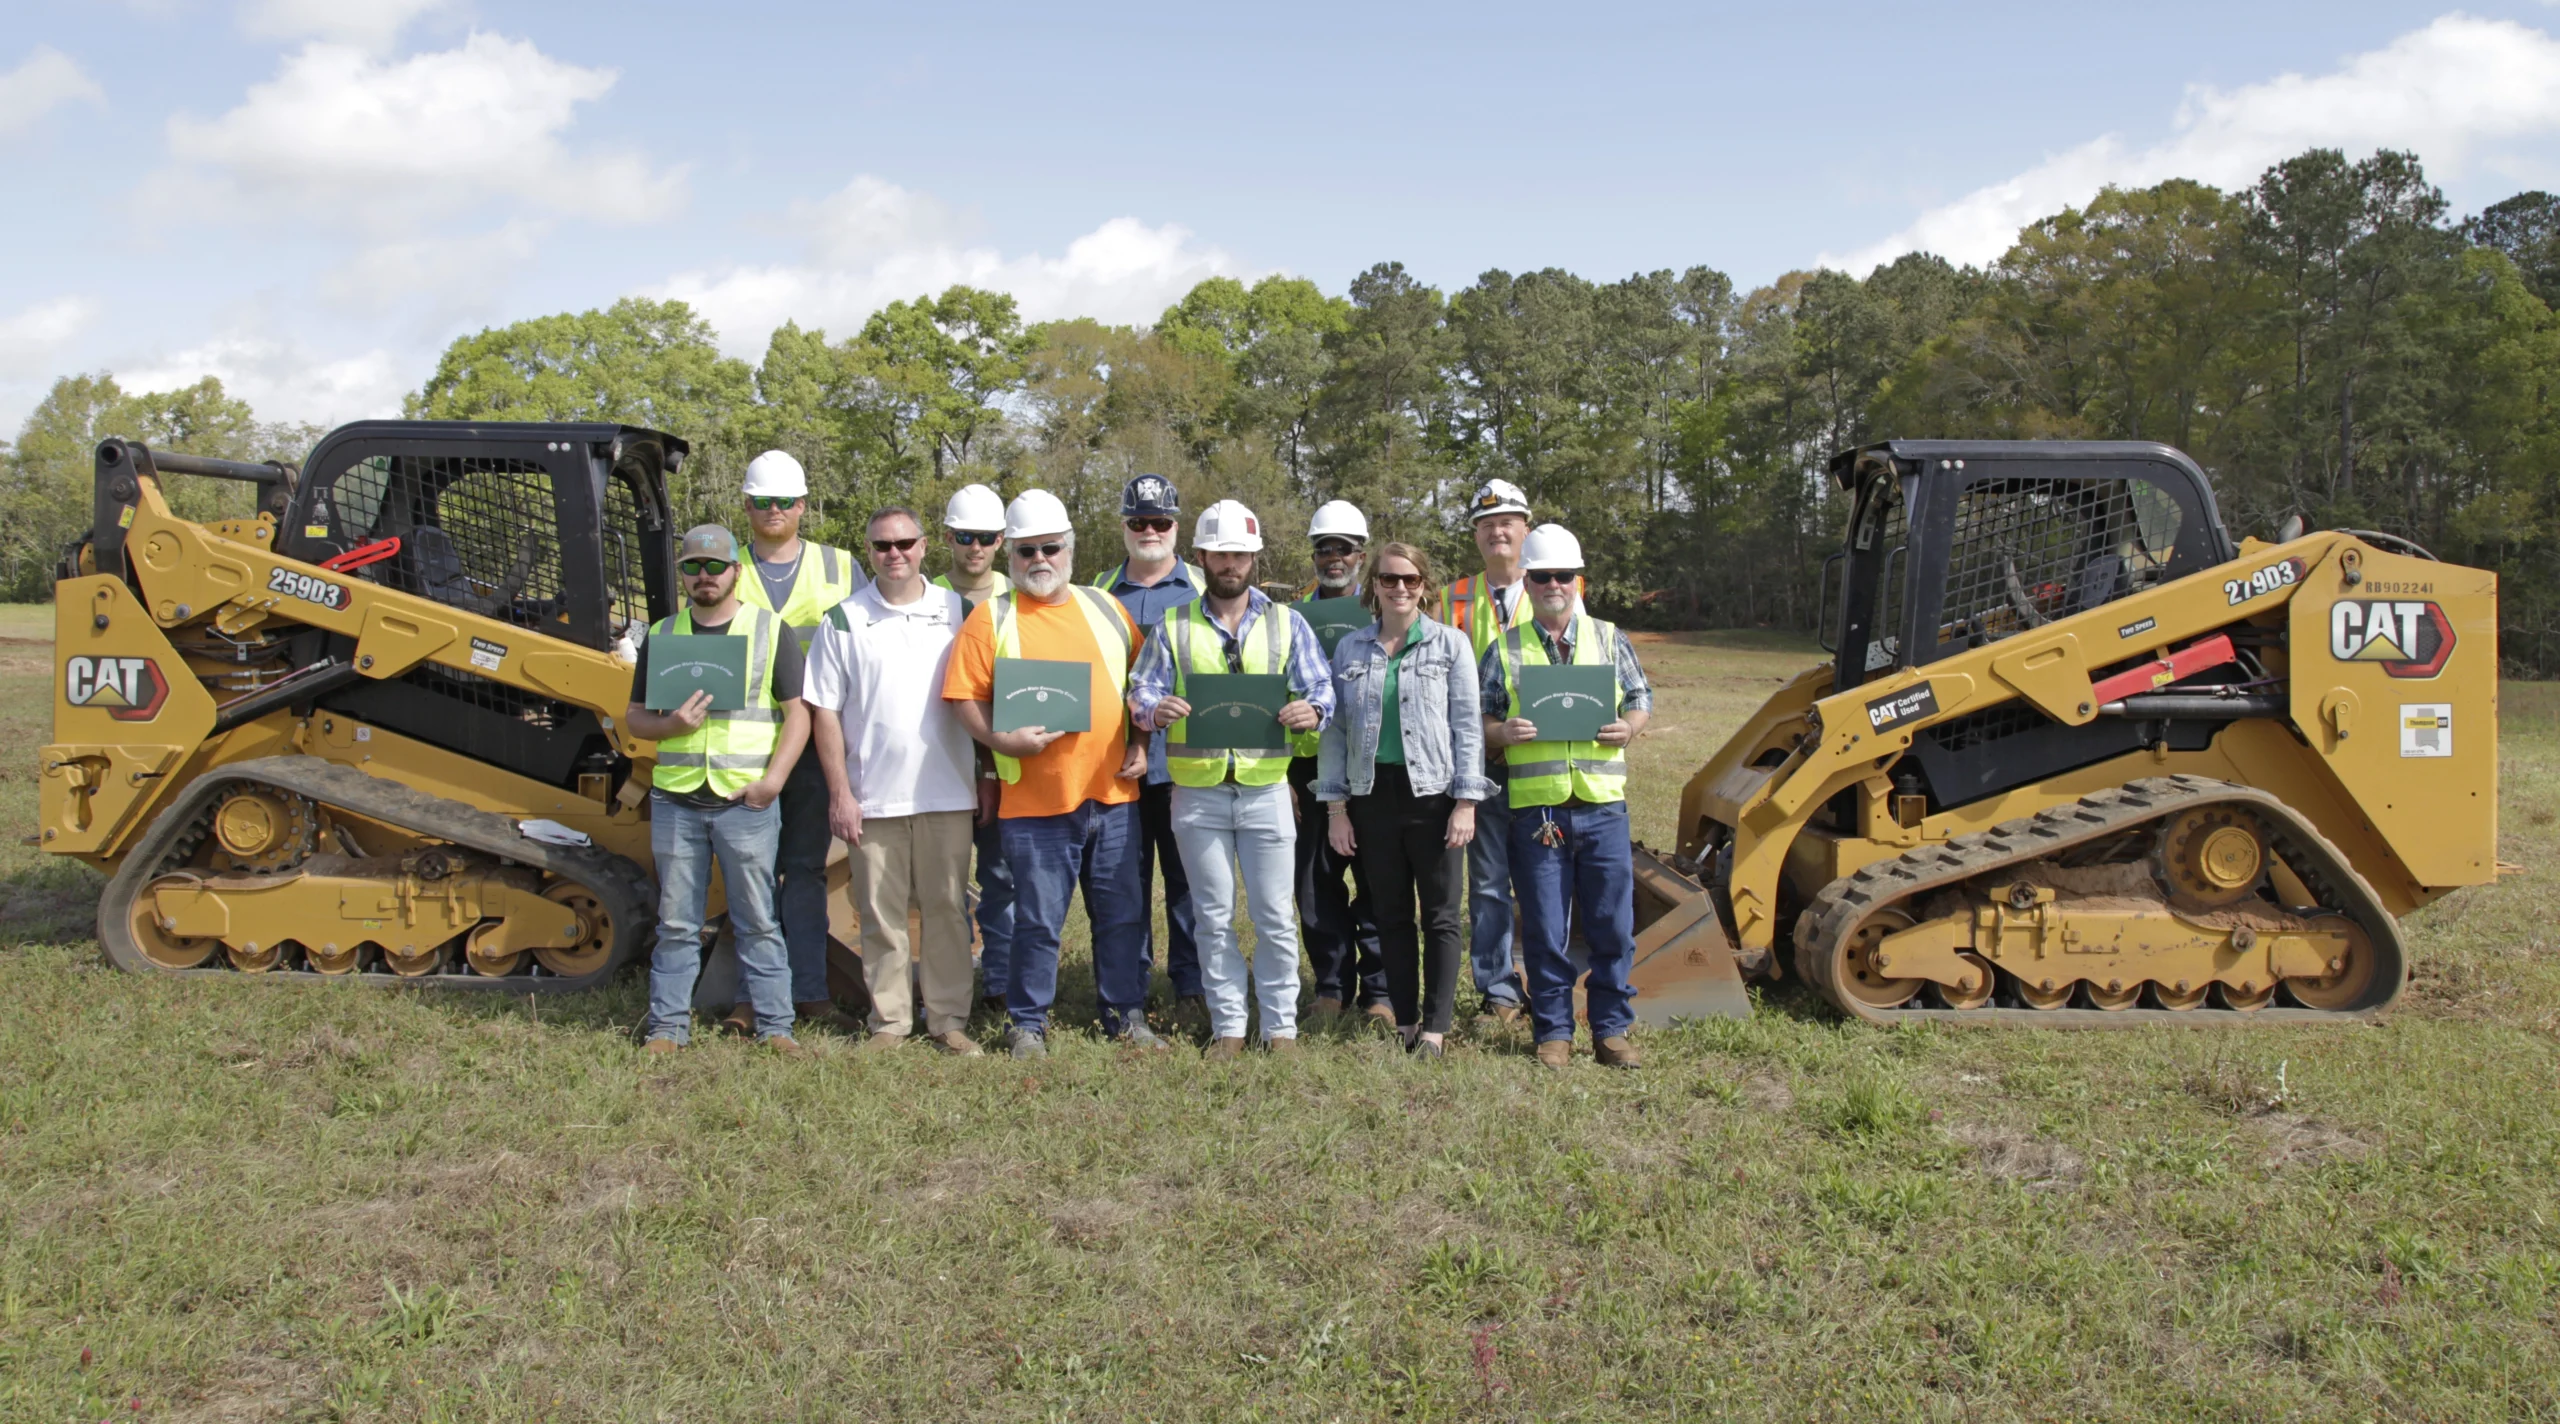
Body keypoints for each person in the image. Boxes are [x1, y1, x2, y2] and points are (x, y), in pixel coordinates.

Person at [943, 489, 1166, 1059]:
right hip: (1034, 802)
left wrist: (1140, 743)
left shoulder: (1106, 608)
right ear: (1011, 556)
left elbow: (1142, 687)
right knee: (1038, 921)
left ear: (1069, 549)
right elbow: (963, 696)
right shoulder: (992, 618)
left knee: (1122, 916)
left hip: (1113, 795)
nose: (1039, 560)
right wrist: (1000, 741)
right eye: (1026, 551)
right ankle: (1028, 1024)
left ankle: (1125, 1014)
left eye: (1050, 548)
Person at [1129, 500, 1334, 1057]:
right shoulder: (1174, 625)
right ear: (1200, 557)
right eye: (1220, 554)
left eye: (1240, 554)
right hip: (1197, 794)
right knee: (1212, 916)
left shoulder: (1286, 622)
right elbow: (1140, 689)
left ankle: (1281, 1028)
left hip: (1266, 790)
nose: (1230, 564)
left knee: (1275, 915)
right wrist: (1154, 710)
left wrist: (1313, 710)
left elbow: (1321, 688)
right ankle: (1229, 1028)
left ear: (1253, 557)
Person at [806, 507, 982, 1057]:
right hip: (872, 797)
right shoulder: (843, 619)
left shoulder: (959, 611)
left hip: (947, 791)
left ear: (925, 546)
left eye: (904, 543)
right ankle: (890, 1021)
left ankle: (949, 1019)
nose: (894, 554)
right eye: (882, 545)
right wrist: (840, 793)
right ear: (869, 551)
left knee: (947, 909)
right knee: (880, 916)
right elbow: (825, 711)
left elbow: (984, 693)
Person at [629, 525, 811, 1056]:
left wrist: (773, 782)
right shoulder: (662, 634)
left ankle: (776, 1027)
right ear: (683, 574)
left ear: (736, 570)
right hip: (676, 800)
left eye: (715, 566)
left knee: (759, 921)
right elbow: (635, 717)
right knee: (676, 924)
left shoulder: (769, 630)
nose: (704, 576)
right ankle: (667, 1030)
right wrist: (670, 726)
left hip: (744, 803)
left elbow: (799, 715)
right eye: (693, 567)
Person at [1479, 524, 1652, 1069]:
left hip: (1603, 809)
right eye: (1542, 576)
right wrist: (1502, 732)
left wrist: (1630, 727)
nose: (1553, 584)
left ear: (1578, 580)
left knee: (1612, 925)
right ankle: (1553, 1031)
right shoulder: (1505, 648)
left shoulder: (1609, 637)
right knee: (1545, 929)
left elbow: (1641, 697)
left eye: (1563, 575)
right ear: (1527, 583)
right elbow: (1480, 718)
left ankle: (1611, 1028)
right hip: (1539, 814)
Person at [1317, 543, 1492, 1059]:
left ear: (1424, 586)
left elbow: (1467, 726)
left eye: (1410, 580)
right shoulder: (1350, 649)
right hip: (1372, 796)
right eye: (1389, 579)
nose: (1399, 588)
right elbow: (1335, 733)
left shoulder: (1450, 645)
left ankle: (1436, 1028)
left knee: (1440, 916)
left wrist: (1466, 802)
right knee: (1390, 915)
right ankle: (1407, 1022)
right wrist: (1336, 809)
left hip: (1433, 796)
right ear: (1374, 584)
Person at [731, 450, 865, 1031]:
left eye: (785, 501)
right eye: (763, 501)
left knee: (805, 869)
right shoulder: (725, 565)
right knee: (750, 875)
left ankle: (810, 991)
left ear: (803, 506)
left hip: (817, 745)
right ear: (746, 506)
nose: (774, 510)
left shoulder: (840, 566)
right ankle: (752, 996)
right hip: (747, 744)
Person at [1089, 473, 1207, 1029]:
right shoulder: (1097, 590)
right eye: (1139, 521)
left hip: (1188, 763)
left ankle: (1191, 984)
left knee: (1188, 884)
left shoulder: (1204, 587)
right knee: (1123, 886)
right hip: (1117, 765)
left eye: (1160, 521)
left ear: (1176, 526)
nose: (1150, 531)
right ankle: (1129, 986)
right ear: (1124, 526)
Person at [1440, 478, 1537, 1028]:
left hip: (1542, 757)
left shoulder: (1558, 584)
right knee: (1489, 883)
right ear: (1476, 536)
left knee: (1546, 881)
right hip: (1476, 760)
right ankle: (1499, 992)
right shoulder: (1451, 597)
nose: (1497, 532)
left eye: (1507, 522)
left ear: (1525, 529)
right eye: (1487, 525)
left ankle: (1548, 984)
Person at [1291, 500, 1389, 1024]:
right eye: (1324, 549)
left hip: (1374, 764)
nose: (1334, 558)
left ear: (1361, 556)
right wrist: (1284, 774)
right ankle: (1330, 988)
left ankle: (1380, 993)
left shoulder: (1385, 612)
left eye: (1344, 550)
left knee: (1378, 880)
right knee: (1316, 884)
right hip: (1308, 769)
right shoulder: (1289, 619)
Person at [932, 483, 1015, 1018]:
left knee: (1002, 877)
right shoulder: (926, 597)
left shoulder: (1020, 593)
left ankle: (1001, 982)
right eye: (965, 537)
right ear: (947, 538)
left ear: (1002, 539)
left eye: (986, 537)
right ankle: (950, 982)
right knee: (942, 883)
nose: (976, 547)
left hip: (1004, 759)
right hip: (938, 757)